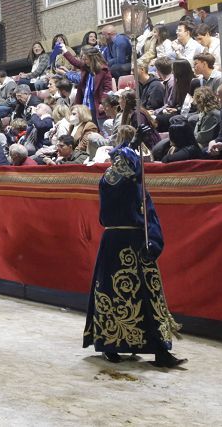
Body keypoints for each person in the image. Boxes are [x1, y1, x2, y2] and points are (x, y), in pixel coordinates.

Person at [83, 146, 184, 368]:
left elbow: (150, 215)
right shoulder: (109, 181)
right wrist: (128, 145)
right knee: (111, 294)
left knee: (151, 297)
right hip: (116, 244)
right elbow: (114, 179)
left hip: (139, 244)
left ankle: (161, 350)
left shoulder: (140, 187)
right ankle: (110, 345)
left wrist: (154, 242)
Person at [63, 46, 113, 122]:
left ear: (92, 59)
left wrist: (103, 103)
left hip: (97, 105)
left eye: (86, 59)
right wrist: (64, 49)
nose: (84, 61)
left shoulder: (104, 71)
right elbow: (74, 61)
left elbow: (107, 89)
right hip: (86, 106)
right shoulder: (86, 68)